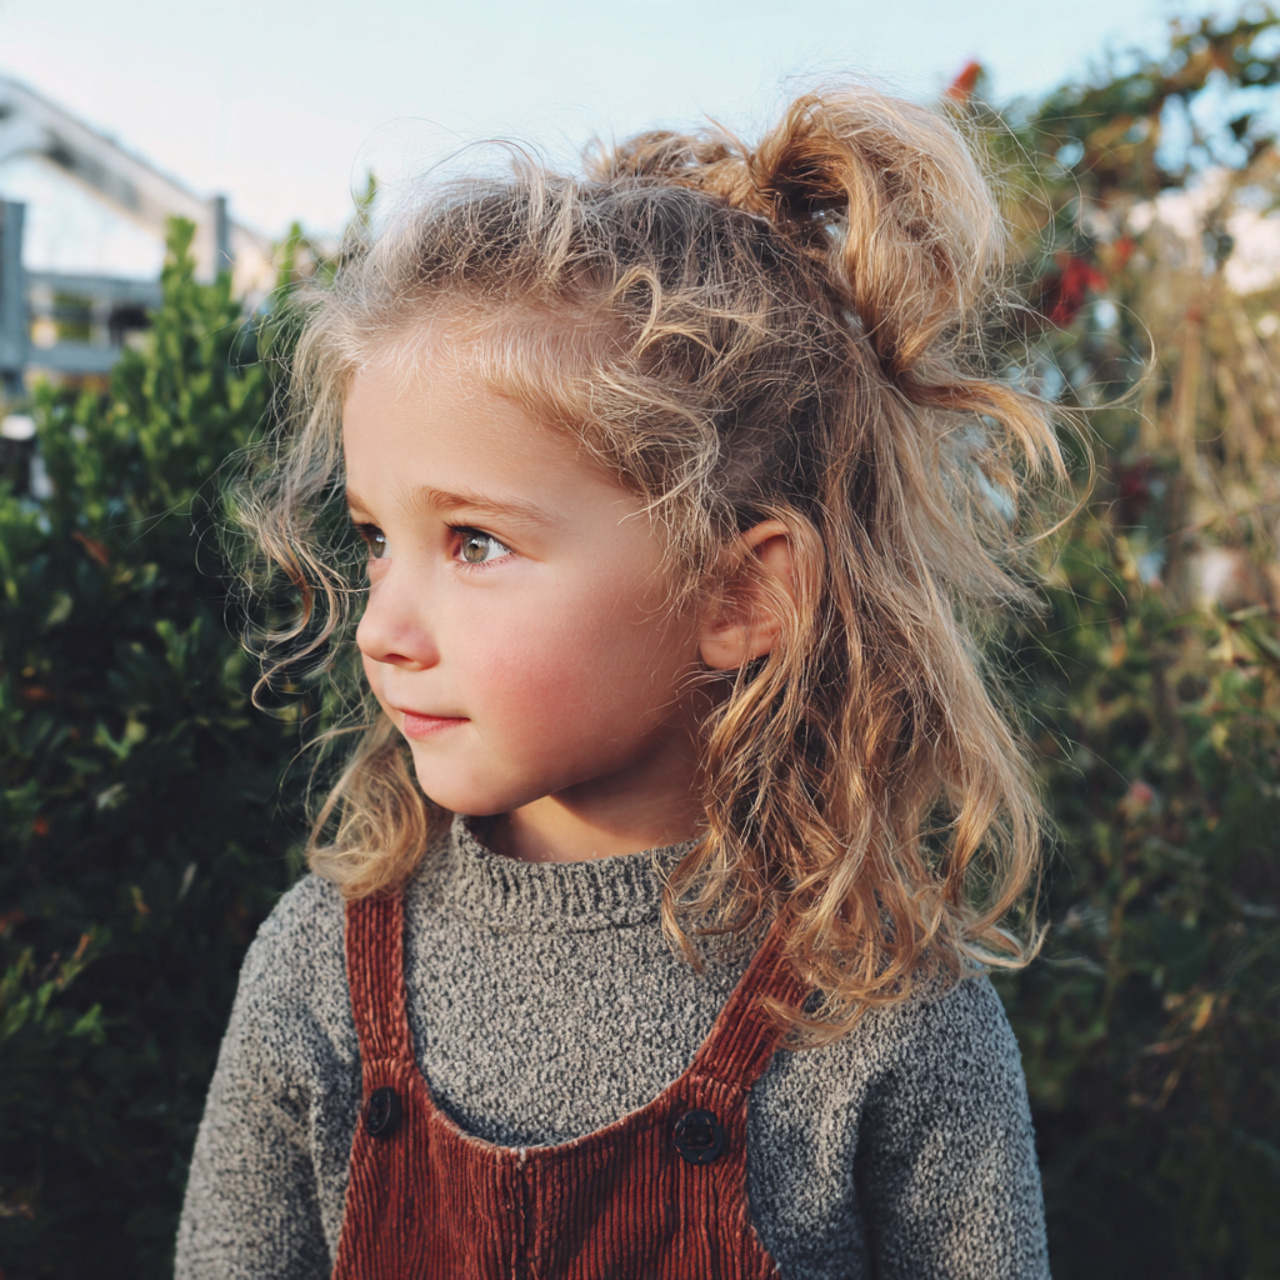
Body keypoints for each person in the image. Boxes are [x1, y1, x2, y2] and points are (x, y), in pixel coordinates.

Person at [176, 83, 1063, 1279]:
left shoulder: (884, 1012)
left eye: (474, 543)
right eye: (376, 538)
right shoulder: (318, 968)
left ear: (736, 595)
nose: (381, 626)